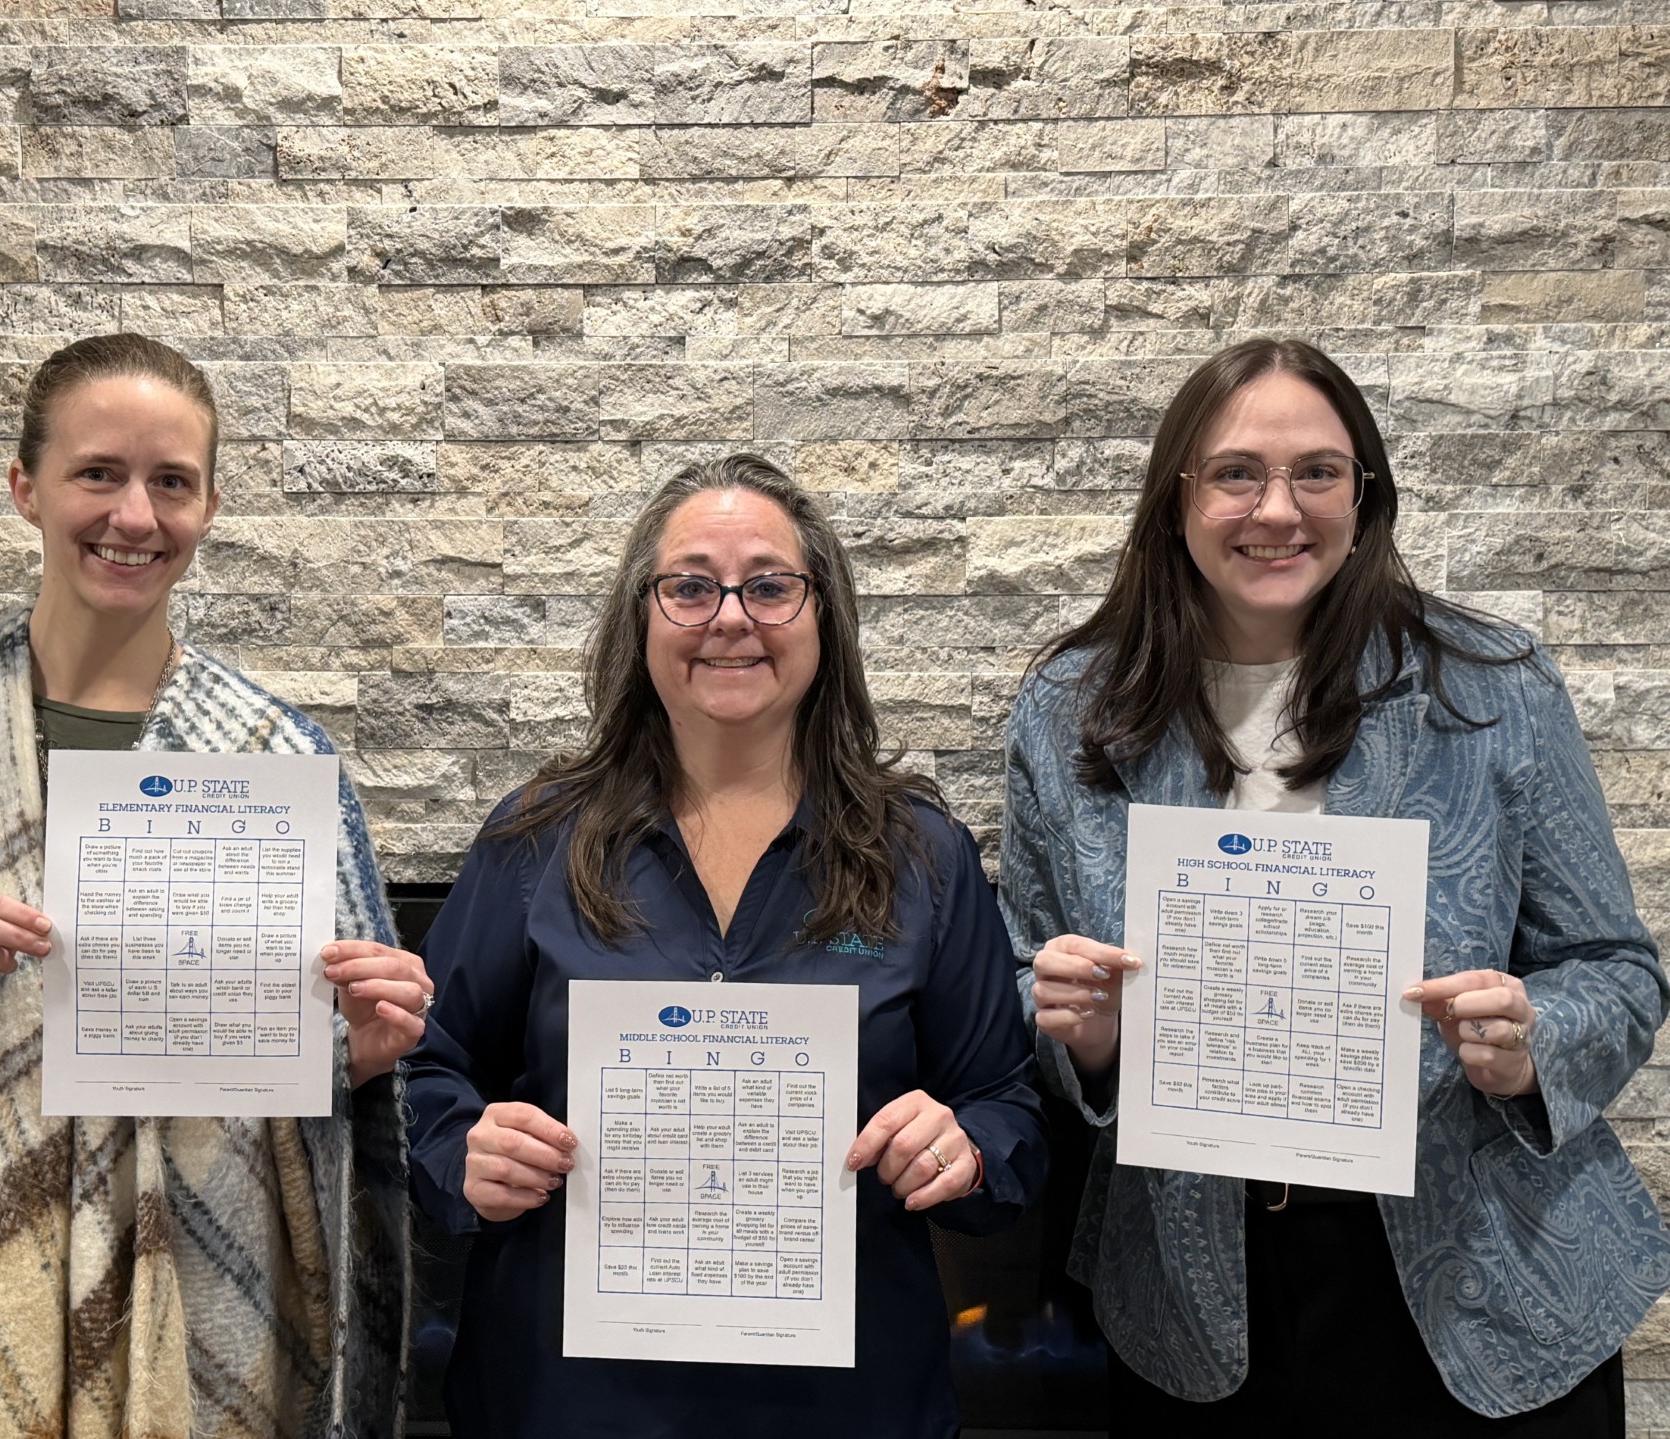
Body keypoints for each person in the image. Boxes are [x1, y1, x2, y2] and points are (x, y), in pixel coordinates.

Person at [0, 334, 429, 1439]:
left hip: (206, 1281)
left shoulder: (276, 760)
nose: (135, 515)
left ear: (210, 507)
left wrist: (356, 1046)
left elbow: (323, 1075)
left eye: (173, 482)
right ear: (26, 487)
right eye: (98, 472)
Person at [1003, 336, 1669, 1433]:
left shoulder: (1492, 687)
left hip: (1484, 1279)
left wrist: (1530, 1037)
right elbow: (1025, 972)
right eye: (1236, 473)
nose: (1279, 508)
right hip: (1195, 1288)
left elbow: (1618, 971)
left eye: (1318, 470)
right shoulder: (1070, 706)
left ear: (1366, 494)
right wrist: (1082, 1030)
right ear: (1176, 497)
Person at [402, 454, 1047, 1438]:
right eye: (691, 585)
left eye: (771, 585)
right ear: (643, 616)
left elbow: (1008, 1106)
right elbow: (419, 1065)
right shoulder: (536, 840)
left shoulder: (923, 853)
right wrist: (461, 1148)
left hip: (846, 1406)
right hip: (568, 1400)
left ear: (823, 615)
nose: (731, 616)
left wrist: (965, 1150)